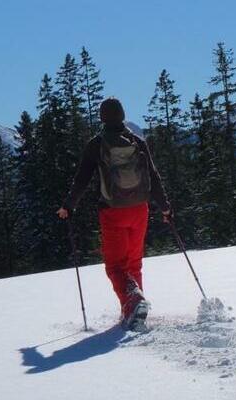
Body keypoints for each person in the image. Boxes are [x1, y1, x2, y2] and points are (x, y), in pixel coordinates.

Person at [57, 97, 171, 330]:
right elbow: (153, 176)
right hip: (140, 209)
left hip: (113, 212)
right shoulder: (137, 141)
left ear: (102, 118)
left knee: (115, 267)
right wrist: (165, 206)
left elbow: (82, 179)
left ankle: (133, 304)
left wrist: (68, 205)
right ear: (122, 115)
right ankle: (134, 310)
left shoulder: (96, 144)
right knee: (134, 263)